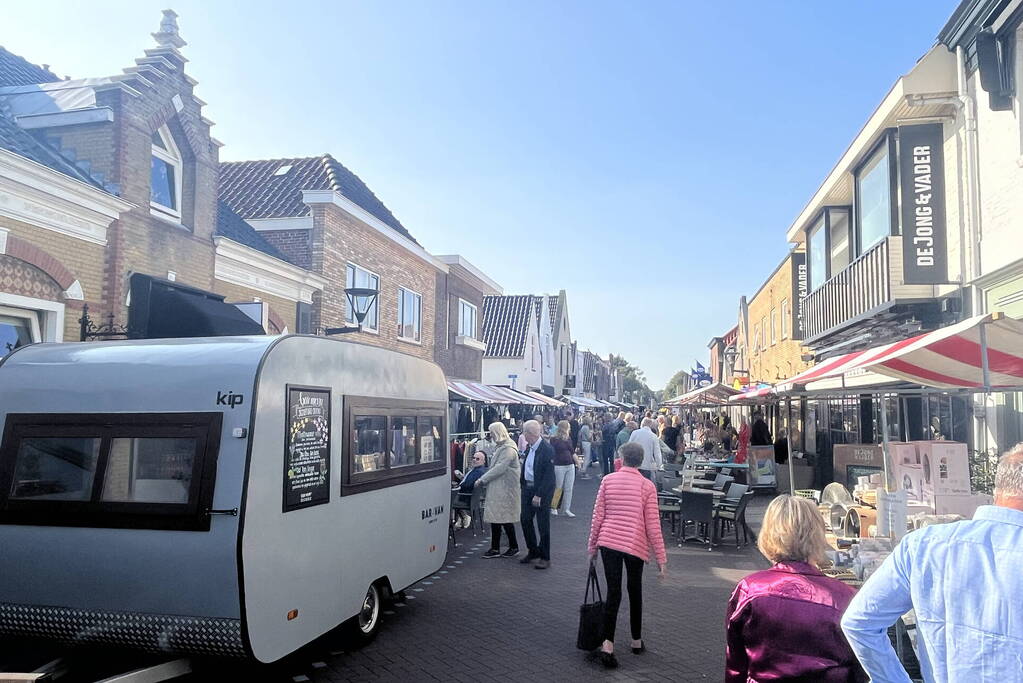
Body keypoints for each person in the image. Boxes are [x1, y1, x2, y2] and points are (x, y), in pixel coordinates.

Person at [841, 444, 1023, 682]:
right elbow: (858, 623)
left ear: (998, 489)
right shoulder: (922, 545)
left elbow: (859, 623)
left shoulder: (924, 545)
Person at [726, 495, 864, 682]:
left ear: (768, 533)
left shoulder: (750, 590)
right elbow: (861, 666)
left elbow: (736, 663)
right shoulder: (845, 597)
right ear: (818, 535)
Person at [588, 442, 667, 669]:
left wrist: (592, 548)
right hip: (634, 544)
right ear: (641, 461)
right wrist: (661, 559)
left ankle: (608, 645)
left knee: (614, 592)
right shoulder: (647, 486)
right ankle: (635, 641)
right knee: (635, 590)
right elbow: (653, 525)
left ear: (621, 458)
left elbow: (598, 517)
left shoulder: (607, 480)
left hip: (609, 542)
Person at [475, 422, 521, 558]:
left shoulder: (508, 449)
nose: (490, 436)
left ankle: (500, 548)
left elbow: (499, 468)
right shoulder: (504, 447)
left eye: (491, 433)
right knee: (500, 518)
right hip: (501, 488)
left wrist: (482, 479)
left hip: (504, 489)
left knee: (501, 518)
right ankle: (504, 547)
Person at [518, 419, 556, 569]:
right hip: (527, 488)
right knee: (525, 519)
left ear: (530, 434)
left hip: (541, 491)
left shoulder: (547, 449)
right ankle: (533, 550)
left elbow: (549, 477)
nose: (523, 435)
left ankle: (545, 557)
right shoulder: (530, 447)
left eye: (524, 432)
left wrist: (539, 494)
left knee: (543, 524)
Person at [549, 420, 577, 517]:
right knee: (558, 487)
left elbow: (572, 452)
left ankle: (567, 509)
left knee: (569, 487)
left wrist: (577, 463)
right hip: (559, 465)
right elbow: (552, 452)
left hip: (570, 465)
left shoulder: (568, 439)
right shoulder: (554, 439)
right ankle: (554, 507)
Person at [453, 451, 487, 529]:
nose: (474, 460)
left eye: (477, 459)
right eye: (473, 458)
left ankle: (463, 516)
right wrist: (462, 477)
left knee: (447, 499)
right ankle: (462, 517)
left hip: (465, 497)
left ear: (483, 461)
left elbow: (468, 485)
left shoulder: (478, 472)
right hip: (472, 498)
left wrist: (457, 486)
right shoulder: (478, 470)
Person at [628, 417, 662, 482]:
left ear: (642, 424)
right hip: (647, 465)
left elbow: (629, 447)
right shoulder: (653, 436)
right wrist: (659, 465)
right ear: (651, 426)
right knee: (645, 485)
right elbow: (657, 453)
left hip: (634, 465)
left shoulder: (634, 433)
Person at [578, 415, 593, 480]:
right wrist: (592, 432)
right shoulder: (586, 427)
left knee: (585, 457)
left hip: (583, 442)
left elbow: (579, 435)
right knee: (587, 458)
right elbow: (589, 437)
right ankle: (583, 471)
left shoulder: (582, 427)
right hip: (586, 443)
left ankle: (583, 471)